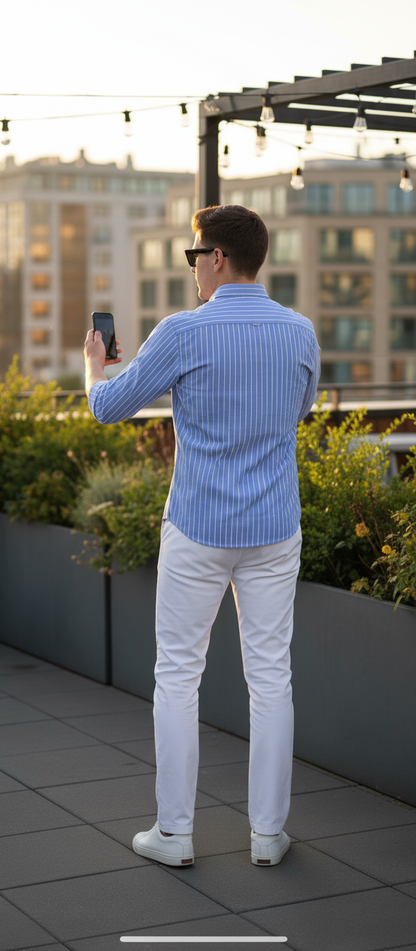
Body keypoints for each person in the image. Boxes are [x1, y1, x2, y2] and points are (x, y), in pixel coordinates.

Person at [84, 204, 320, 869]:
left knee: (179, 675)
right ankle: (269, 835)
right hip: (274, 527)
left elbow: (106, 407)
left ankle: (175, 832)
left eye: (194, 256)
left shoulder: (181, 332)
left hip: (198, 526)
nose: (193, 268)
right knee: (272, 677)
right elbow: (299, 411)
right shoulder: (300, 332)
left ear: (217, 258)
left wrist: (94, 364)